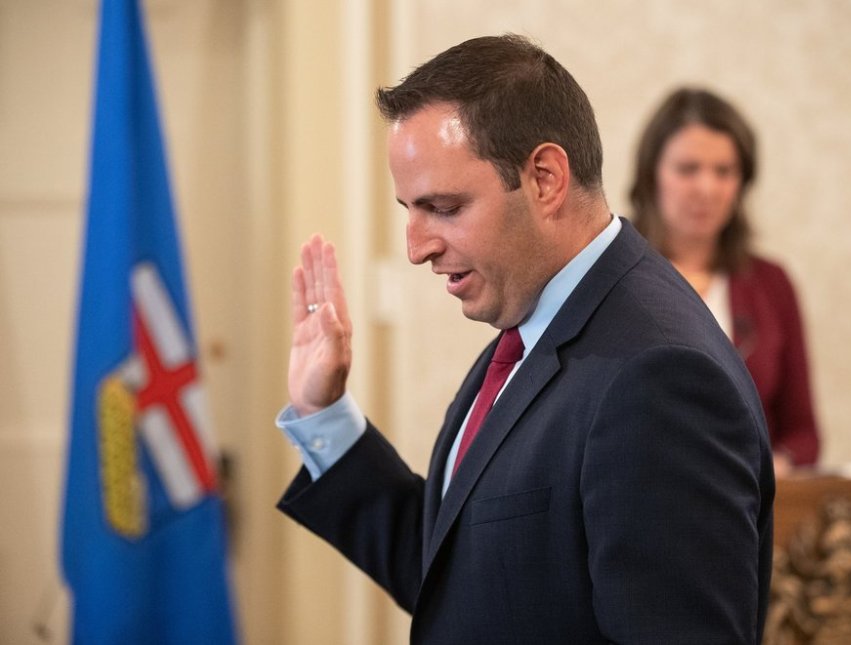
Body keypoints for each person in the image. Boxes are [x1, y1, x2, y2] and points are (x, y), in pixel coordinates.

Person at [276, 35, 774, 643]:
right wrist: (322, 414)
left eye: (445, 207)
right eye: (410, 208)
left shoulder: (659, 376)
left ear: (544, 178)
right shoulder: (538, 322)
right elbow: (458, 572)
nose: (416, 247)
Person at [629, 87, 821, 476]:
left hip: (748, 508)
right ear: (652, 176)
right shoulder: (617, 277)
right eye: (688, 169)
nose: (707, 189)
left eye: (724, 171)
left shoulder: (771, 283)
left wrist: (775, 467)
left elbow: (804, 434)